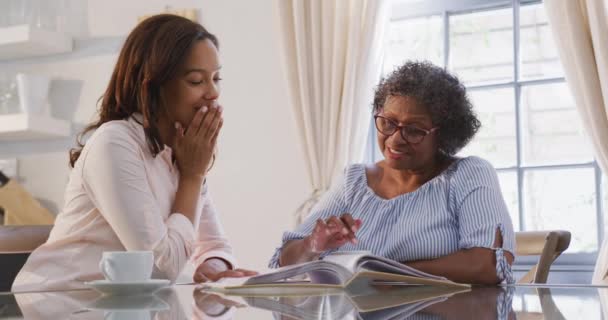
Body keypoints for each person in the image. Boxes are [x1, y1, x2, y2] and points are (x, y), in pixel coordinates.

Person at [12, 14, 256, 292]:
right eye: (196, 81)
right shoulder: (114, 143)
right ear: (154, 85)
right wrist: (193, 175)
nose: (213, 93)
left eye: (216, 78)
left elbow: (215, 246)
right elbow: (158, 269)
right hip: (63, 304)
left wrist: (214, 266)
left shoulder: (181, 151)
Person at [269, 61, 515, 284]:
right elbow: (285, 262)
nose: (395, 140)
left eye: (414, 130)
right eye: (387, 122)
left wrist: (382, 276)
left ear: (443, 134)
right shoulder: (353, 181)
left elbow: (489, 264)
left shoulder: (468, 174)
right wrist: (314, 244)